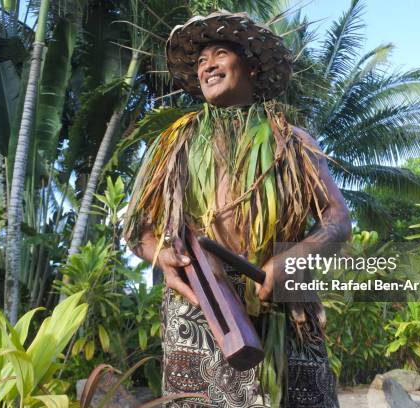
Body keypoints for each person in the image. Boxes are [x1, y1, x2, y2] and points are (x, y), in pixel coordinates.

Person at [124, 11, 351, 408]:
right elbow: (136, 229)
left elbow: (338, 220)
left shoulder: (292, 142)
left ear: (250, 65)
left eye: (220, 53)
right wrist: (160, 256)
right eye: (200, 61)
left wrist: (294, 260)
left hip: (285, 302)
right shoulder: (176, 142)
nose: (207, 65)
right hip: (202, 303)